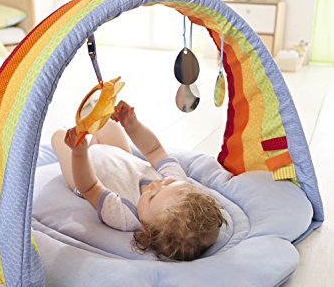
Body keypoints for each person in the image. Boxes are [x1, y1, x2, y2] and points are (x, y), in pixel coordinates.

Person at [51, 100, 226, 261]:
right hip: (121, 155)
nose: (156, 184)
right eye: (168, 184)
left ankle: (79, 145)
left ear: (147, 230)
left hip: (85, 171)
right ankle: (93, 138)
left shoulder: (124, 216)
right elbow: (154, 150)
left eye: (152, 196)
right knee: (109, 126)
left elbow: (90, 187)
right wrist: (133, 126)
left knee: (58, 136)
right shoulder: (178, 182)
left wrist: (79, 154)